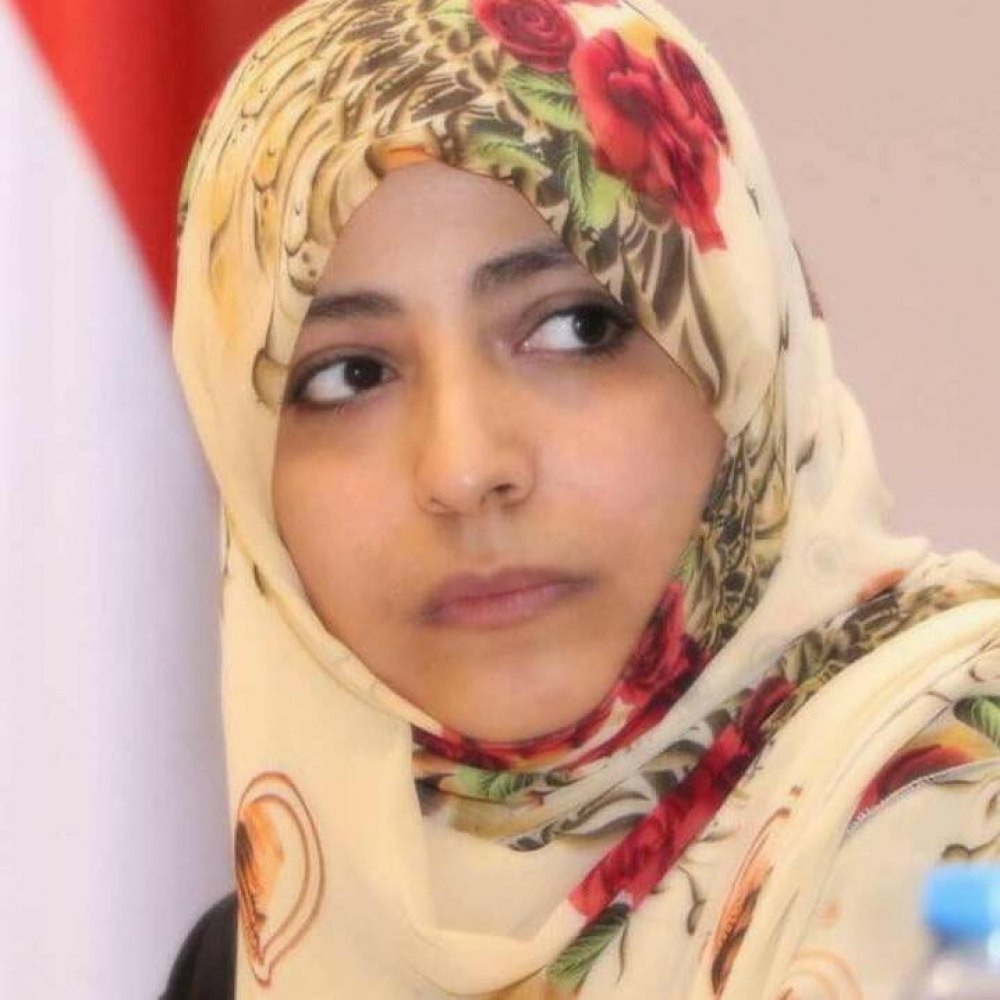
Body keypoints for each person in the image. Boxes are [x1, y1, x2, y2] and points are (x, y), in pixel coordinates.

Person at [164, 0, 1000, 997]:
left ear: (742, 351)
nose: (464, 468)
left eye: (577, 328)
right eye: (349, 376)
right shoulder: (265, 955)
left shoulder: (965, 823)